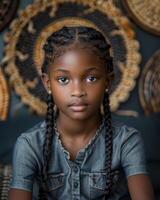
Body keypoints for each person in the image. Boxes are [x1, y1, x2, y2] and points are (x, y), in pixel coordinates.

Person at [8, 20, 155, 200]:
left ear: (108, 81)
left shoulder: (126, 142)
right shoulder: (29, 145)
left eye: (91, 78)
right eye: (63, 79)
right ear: (48, 83)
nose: (77, 92)